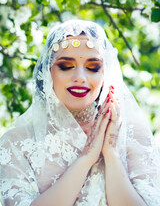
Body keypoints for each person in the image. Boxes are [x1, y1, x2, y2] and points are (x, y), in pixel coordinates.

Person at [0, 19, 160, 206]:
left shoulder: (133, 134)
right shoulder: (16, 143)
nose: (80, 78)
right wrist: (86, 159)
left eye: (93, 68)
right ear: (47, 71)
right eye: (66, 66)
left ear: (105, 75)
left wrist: (111, 155)